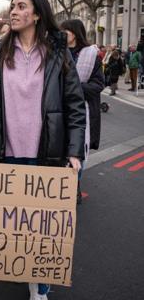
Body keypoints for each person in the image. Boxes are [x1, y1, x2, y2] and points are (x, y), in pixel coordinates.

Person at [0, 0, 86, 300]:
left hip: (47, 156)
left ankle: (39, 289)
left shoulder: (59, 53)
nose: (13, 12)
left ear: (37, 14)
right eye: (12, 6)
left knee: (42, 230)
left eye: (21, 6)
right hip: (5, 155)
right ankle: (23, 268)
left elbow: (74, 105)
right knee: (14, 226)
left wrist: (74, 152)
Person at [61, 19, 104, 203]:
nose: (63, 34)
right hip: (58, 111)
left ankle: (74, 186)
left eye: (66, 31)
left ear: (76, 33)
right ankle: (61, 186)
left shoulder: (91, 55)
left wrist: (74, 87)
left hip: (82, 111)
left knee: (77, 150)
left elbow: (98, 84)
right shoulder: (55, 52)